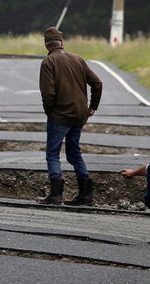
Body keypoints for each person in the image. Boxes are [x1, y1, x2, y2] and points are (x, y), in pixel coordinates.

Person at [36, 27, 103, 206]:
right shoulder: (77, 59)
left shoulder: (48, 62)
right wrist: (92, 107)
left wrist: (48, 110)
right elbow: (97, 83)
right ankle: (86, 194)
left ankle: (56, 195)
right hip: (79, 116)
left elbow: (48, 93)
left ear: (46, 45)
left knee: (52, 154)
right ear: (62, 42)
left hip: (60, 116)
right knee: (74, 153)